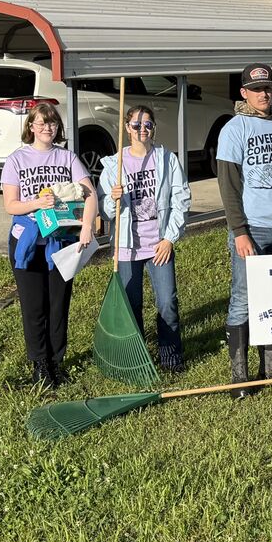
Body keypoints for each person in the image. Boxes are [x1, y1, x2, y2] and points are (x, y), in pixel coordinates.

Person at [0, 101, 99, 387]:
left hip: (62, 243)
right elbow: (10, 205)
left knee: (58, 304)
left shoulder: (67, 158)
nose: (47, 127)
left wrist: (87, 227)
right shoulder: (16, 160)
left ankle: (57, 363)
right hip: (28, 243)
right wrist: (36, 203)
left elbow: (89, 194)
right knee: (34, 307)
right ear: (30, 126)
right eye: (41, 123)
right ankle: (40, 365)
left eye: (53, 123)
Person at [216, 63, 272, 385]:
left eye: (268, 88)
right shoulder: (235, 129)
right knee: (244, 298)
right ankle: (240, 375)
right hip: (252, 228)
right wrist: (239, 231)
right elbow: (229, 184)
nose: (263, 93)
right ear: (244, 93)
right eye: (256, 89)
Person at [105, 104, 192, 371]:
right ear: (126, 128)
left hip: (159, 245)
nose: (142, 129)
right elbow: (106, 211)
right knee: (132, 305)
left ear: (154, 128)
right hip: (127, 247)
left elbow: (182, 198)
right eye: (136, 125)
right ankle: (138, 359)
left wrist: (169, 238)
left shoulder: (167, 159)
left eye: (148, 125)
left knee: (167, 303)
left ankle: (170, 355)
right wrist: (113, 199)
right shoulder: (113, 165)